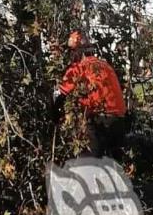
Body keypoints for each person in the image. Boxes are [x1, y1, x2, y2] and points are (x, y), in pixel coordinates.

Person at [53, 31, 127, 159]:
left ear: (77, 52)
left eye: (71, 52)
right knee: (113, 165)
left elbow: (61, 94)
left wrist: (53, 115)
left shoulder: (79, 67)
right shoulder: (105, 65)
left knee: (88, 164)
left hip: (99, 120)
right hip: (119, 119)